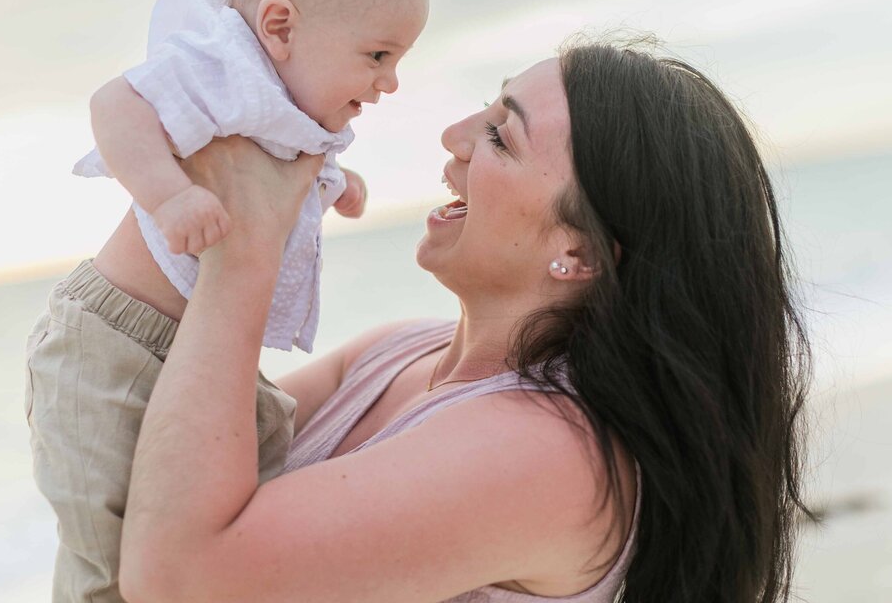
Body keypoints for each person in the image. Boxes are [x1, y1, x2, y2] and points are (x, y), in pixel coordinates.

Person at [119, 38, 814, 603]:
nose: (454, 137)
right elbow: (141, 461)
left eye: (500, 137)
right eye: (483, 109)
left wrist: (243, 253)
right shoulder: (394, 354)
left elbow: (179, 580)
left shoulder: (551, 454)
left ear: (580, 251)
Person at [24, 0, 429, 602]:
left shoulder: (297, 100)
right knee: (107, 542)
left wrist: (339, 185)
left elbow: (289, 170)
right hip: (116, 340)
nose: (389, 81)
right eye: (377, 55)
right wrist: (167, 193)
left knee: (243, 484)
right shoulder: (223, 63)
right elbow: (116, 105)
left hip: (191, 351)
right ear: (279, 25)